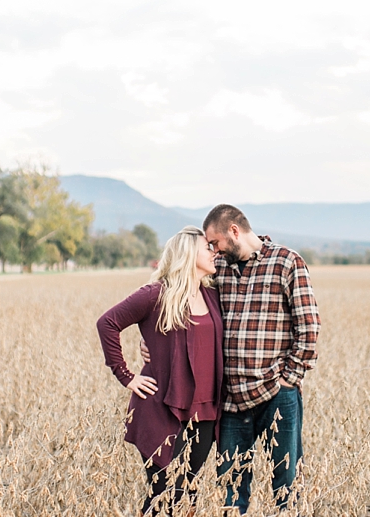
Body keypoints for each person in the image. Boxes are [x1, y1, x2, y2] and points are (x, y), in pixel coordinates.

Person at [143, 204, 320, 514]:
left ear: (234, 232)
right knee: (232, 487)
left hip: (277, 396)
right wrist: (152, 343)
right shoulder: (218, 268)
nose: (213, 249)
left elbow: (309, 329)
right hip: (230, 402)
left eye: (215, 242)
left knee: (286, 484)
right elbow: (174, 296)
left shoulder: (287, 262)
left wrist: (286, 380)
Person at [96, 226, 223, 516]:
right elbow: (107, 323)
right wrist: (126, 375)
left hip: (205, 413)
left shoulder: (213, 295)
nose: (214, 253)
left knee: (189, 491)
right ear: (190, 254)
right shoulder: (155, 295)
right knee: (163, 493)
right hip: (161, 410)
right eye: (208, 248)